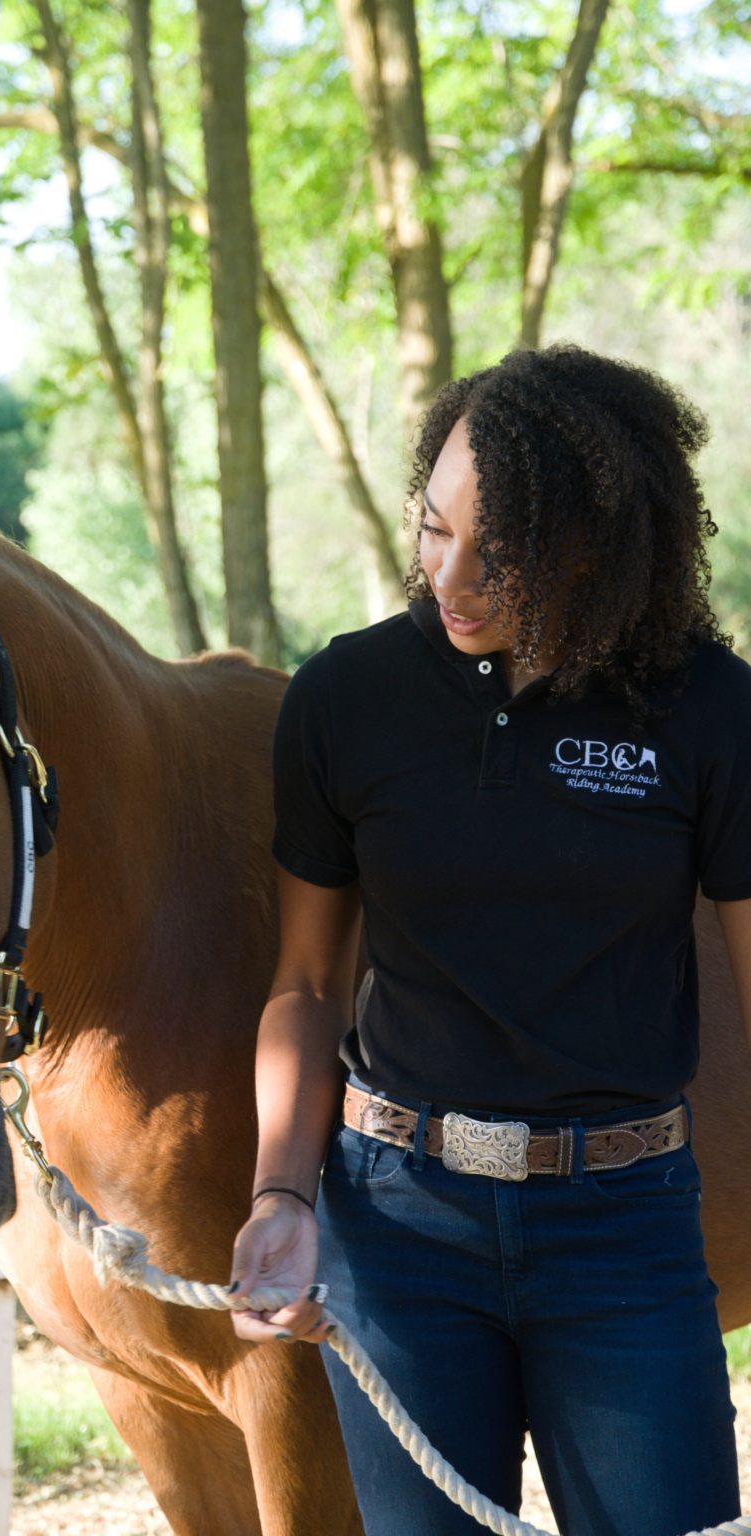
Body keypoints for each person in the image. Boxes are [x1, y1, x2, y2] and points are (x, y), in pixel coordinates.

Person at [229, 344, 751, 1536]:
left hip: (624, 1232)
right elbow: (306, 986)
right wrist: (280, 1193)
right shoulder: (343, 700)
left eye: (498, 552)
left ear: (597, 550)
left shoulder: (706, 712)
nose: (450, 579)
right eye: (433, 529)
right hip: (395, 1225)